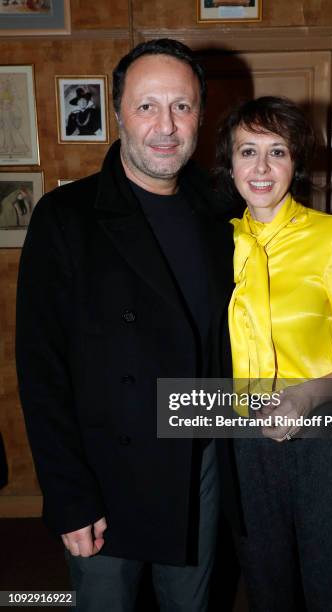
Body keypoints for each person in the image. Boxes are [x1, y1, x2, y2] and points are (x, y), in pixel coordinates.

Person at [16, 38, 237, 612]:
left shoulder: (223, 212)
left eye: (182, 107)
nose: (165, 126)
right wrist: (68, 496)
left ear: (200, 114)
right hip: (106, 476)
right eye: (147, 107)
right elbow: (41, 371)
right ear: (117, 113)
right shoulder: (66, 219)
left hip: (199, 464)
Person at [215, 96, 332, 612]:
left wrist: (306, 398)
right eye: (247, 151)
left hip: (327, 440)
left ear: (297, 161)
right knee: (267, 589)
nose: (262, 167)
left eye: (278, 151)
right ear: (230, 164)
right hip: (244, 442)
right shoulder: (218, 243)